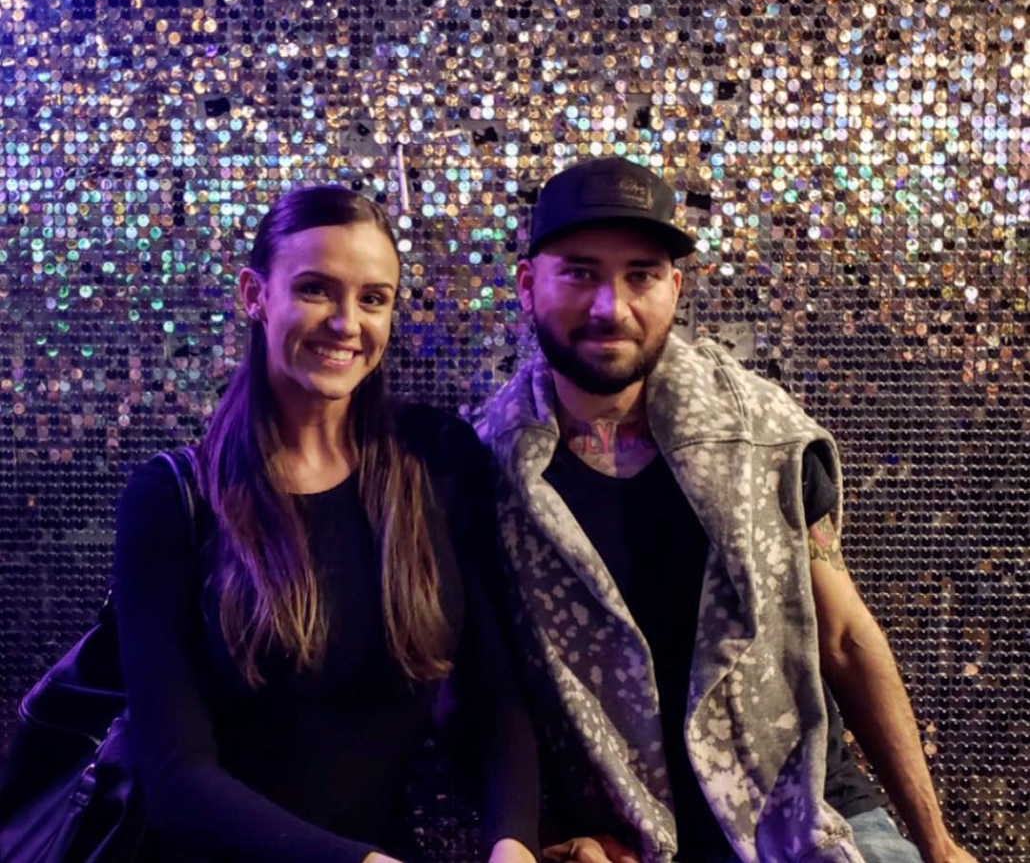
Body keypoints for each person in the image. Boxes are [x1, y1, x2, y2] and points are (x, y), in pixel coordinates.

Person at [475, 158, 975, 863]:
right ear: (529, 285)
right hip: (626, 838)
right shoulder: (480, 471)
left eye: (641, 275)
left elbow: (844, 638)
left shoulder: (767, 437)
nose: (611, 307)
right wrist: (551, 834)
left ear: (674, 289)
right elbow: (495, 695)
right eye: (580, 273)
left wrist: (938, 844)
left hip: (807, 812)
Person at [114, 185, 540, 862]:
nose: (346, 323)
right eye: (315, 289)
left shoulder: (437, 458)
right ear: (255, 295)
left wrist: (512, 841)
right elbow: (176, 779)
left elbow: (492, 694)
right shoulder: (171, 499)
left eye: (373, 299)